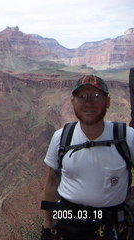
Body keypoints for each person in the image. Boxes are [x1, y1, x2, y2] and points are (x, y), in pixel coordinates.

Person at [41, 75, 134, 240]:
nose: (88, 103)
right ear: (73, 102)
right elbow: (51, 182)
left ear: (108, 102)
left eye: (96, 96)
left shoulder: (127, 138)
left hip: (111, 228)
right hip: (66, 226)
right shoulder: (61, 137)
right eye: (82, 97)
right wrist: (47, 225)